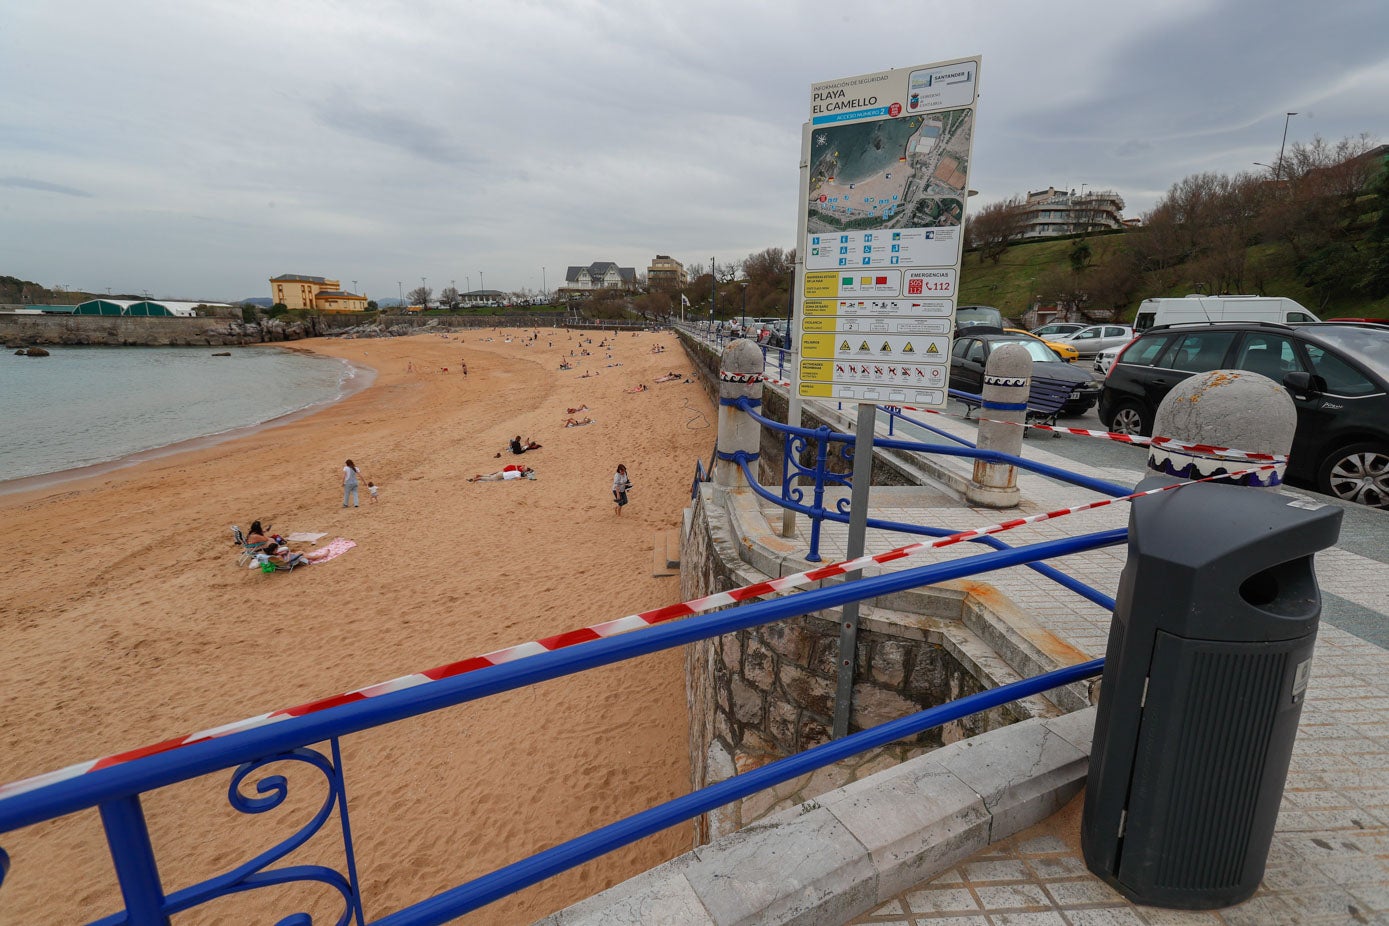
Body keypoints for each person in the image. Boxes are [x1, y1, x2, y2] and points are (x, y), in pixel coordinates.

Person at [468, 464, 534, 482]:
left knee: (491, 475)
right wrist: (525, 478)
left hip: (502, 472)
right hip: (501, 475)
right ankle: (479, 478)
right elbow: (517, 478)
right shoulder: (518, 473)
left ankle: (480, 475)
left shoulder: (517, 471)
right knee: (491, 479)